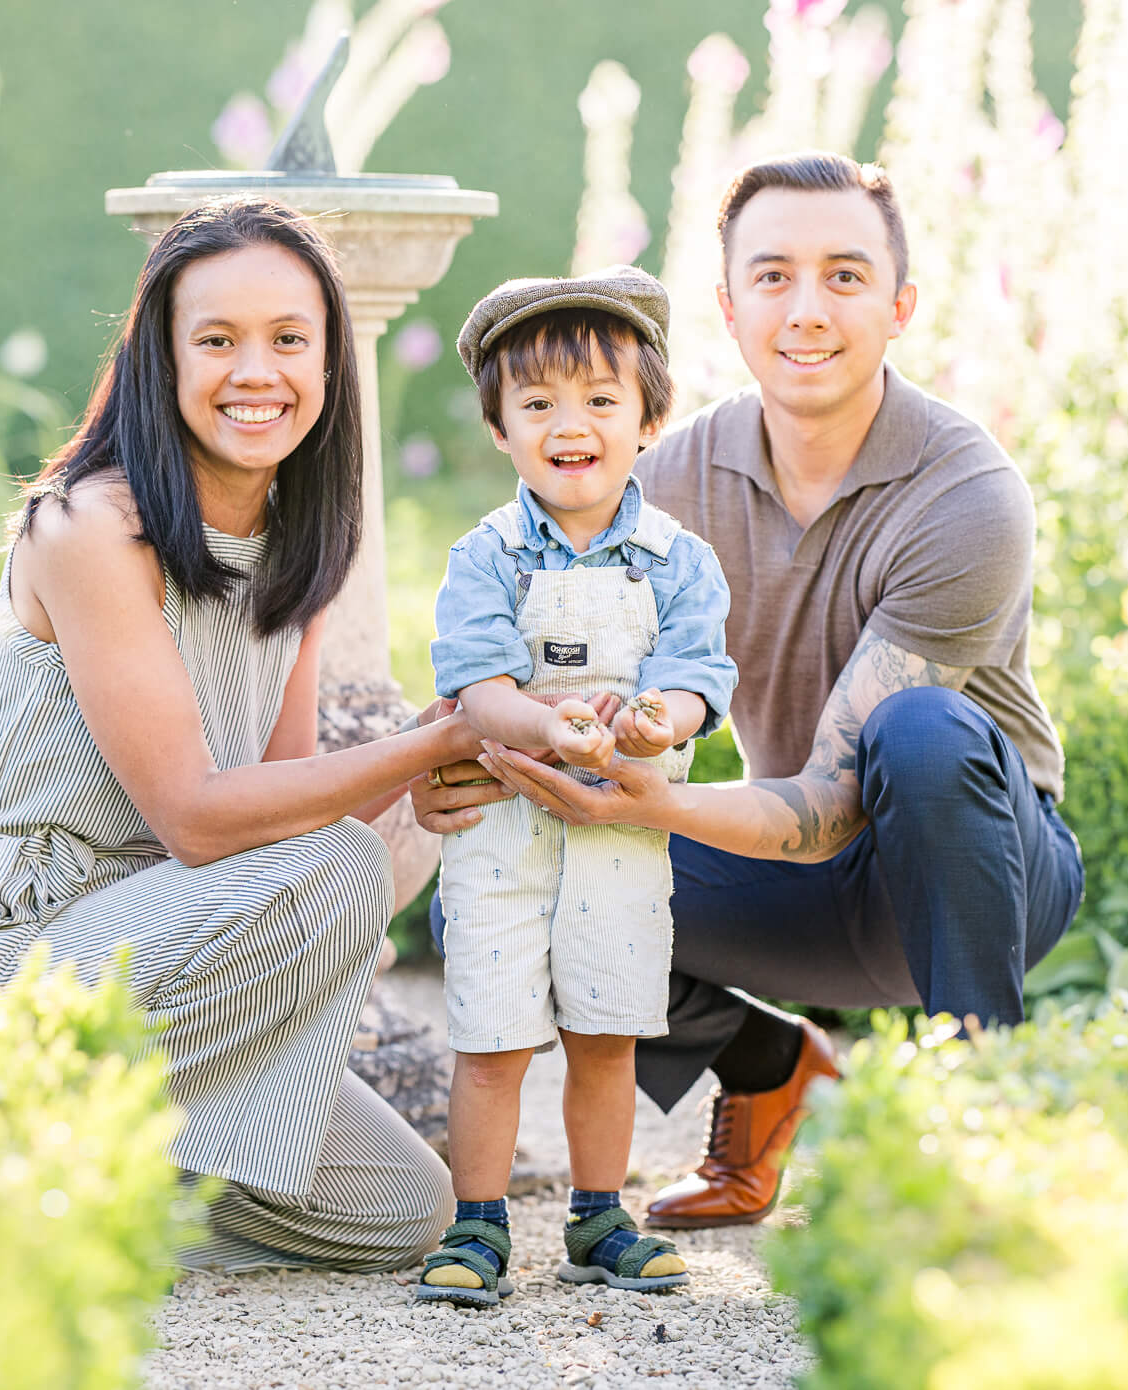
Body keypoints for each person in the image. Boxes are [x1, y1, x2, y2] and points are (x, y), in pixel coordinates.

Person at [413, 152, 1084, 1230]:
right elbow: (519, 667)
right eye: (773, 276)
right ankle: (773, 1067)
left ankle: (982, 1120)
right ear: (728, 308)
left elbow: (834, 801)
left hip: (981, 868)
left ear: (901, 304)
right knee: (494, 894)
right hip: (798, 878)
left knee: (917, 733)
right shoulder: (663, 485)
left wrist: (647, 802)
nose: (807, 310)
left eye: (846, 276)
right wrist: (450, 766)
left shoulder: (968, 492)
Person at [0, 196, 480, 1273]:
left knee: (405, 1207)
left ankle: (82, 1186)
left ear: (330, 362)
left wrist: (438, 751)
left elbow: (285, 799)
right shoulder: (89, 529)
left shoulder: (299, 544)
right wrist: (409, 754)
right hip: (4, 958)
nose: (255, 371)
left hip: (162, 949)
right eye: (217, 340)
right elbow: (201, 820)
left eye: (288, 340)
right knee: (344, 866)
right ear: (162, 362)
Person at [412, 267, 737, 1307]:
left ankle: (602, 1213)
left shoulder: (678, 561)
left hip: (620, 841)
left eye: (601, 401)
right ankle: (479, 1223)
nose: (571, 425)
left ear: (649, 420)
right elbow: (477, 681)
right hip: (502, 837)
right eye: (538, 403)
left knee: (606, 1031)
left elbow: (697, 671)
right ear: (501, 429)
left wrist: (659, 719)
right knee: (493, 1036)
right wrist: (549, 726)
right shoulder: (487, 557)